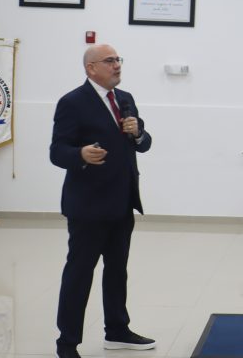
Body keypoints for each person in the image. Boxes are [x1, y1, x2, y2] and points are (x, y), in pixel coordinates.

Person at [49, 45, 155, 358]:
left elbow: (144, 143)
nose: (117, 65)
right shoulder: (72, 102)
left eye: (118, 60)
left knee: (117, 270)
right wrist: (80, 154)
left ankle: (117, 330)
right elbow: (57, 151)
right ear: (91, 68)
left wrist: (138, 133)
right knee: (79, 273)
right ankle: (67, 343)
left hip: (122, 203)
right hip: (88, 206)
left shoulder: (125, 99)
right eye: (110, 61)